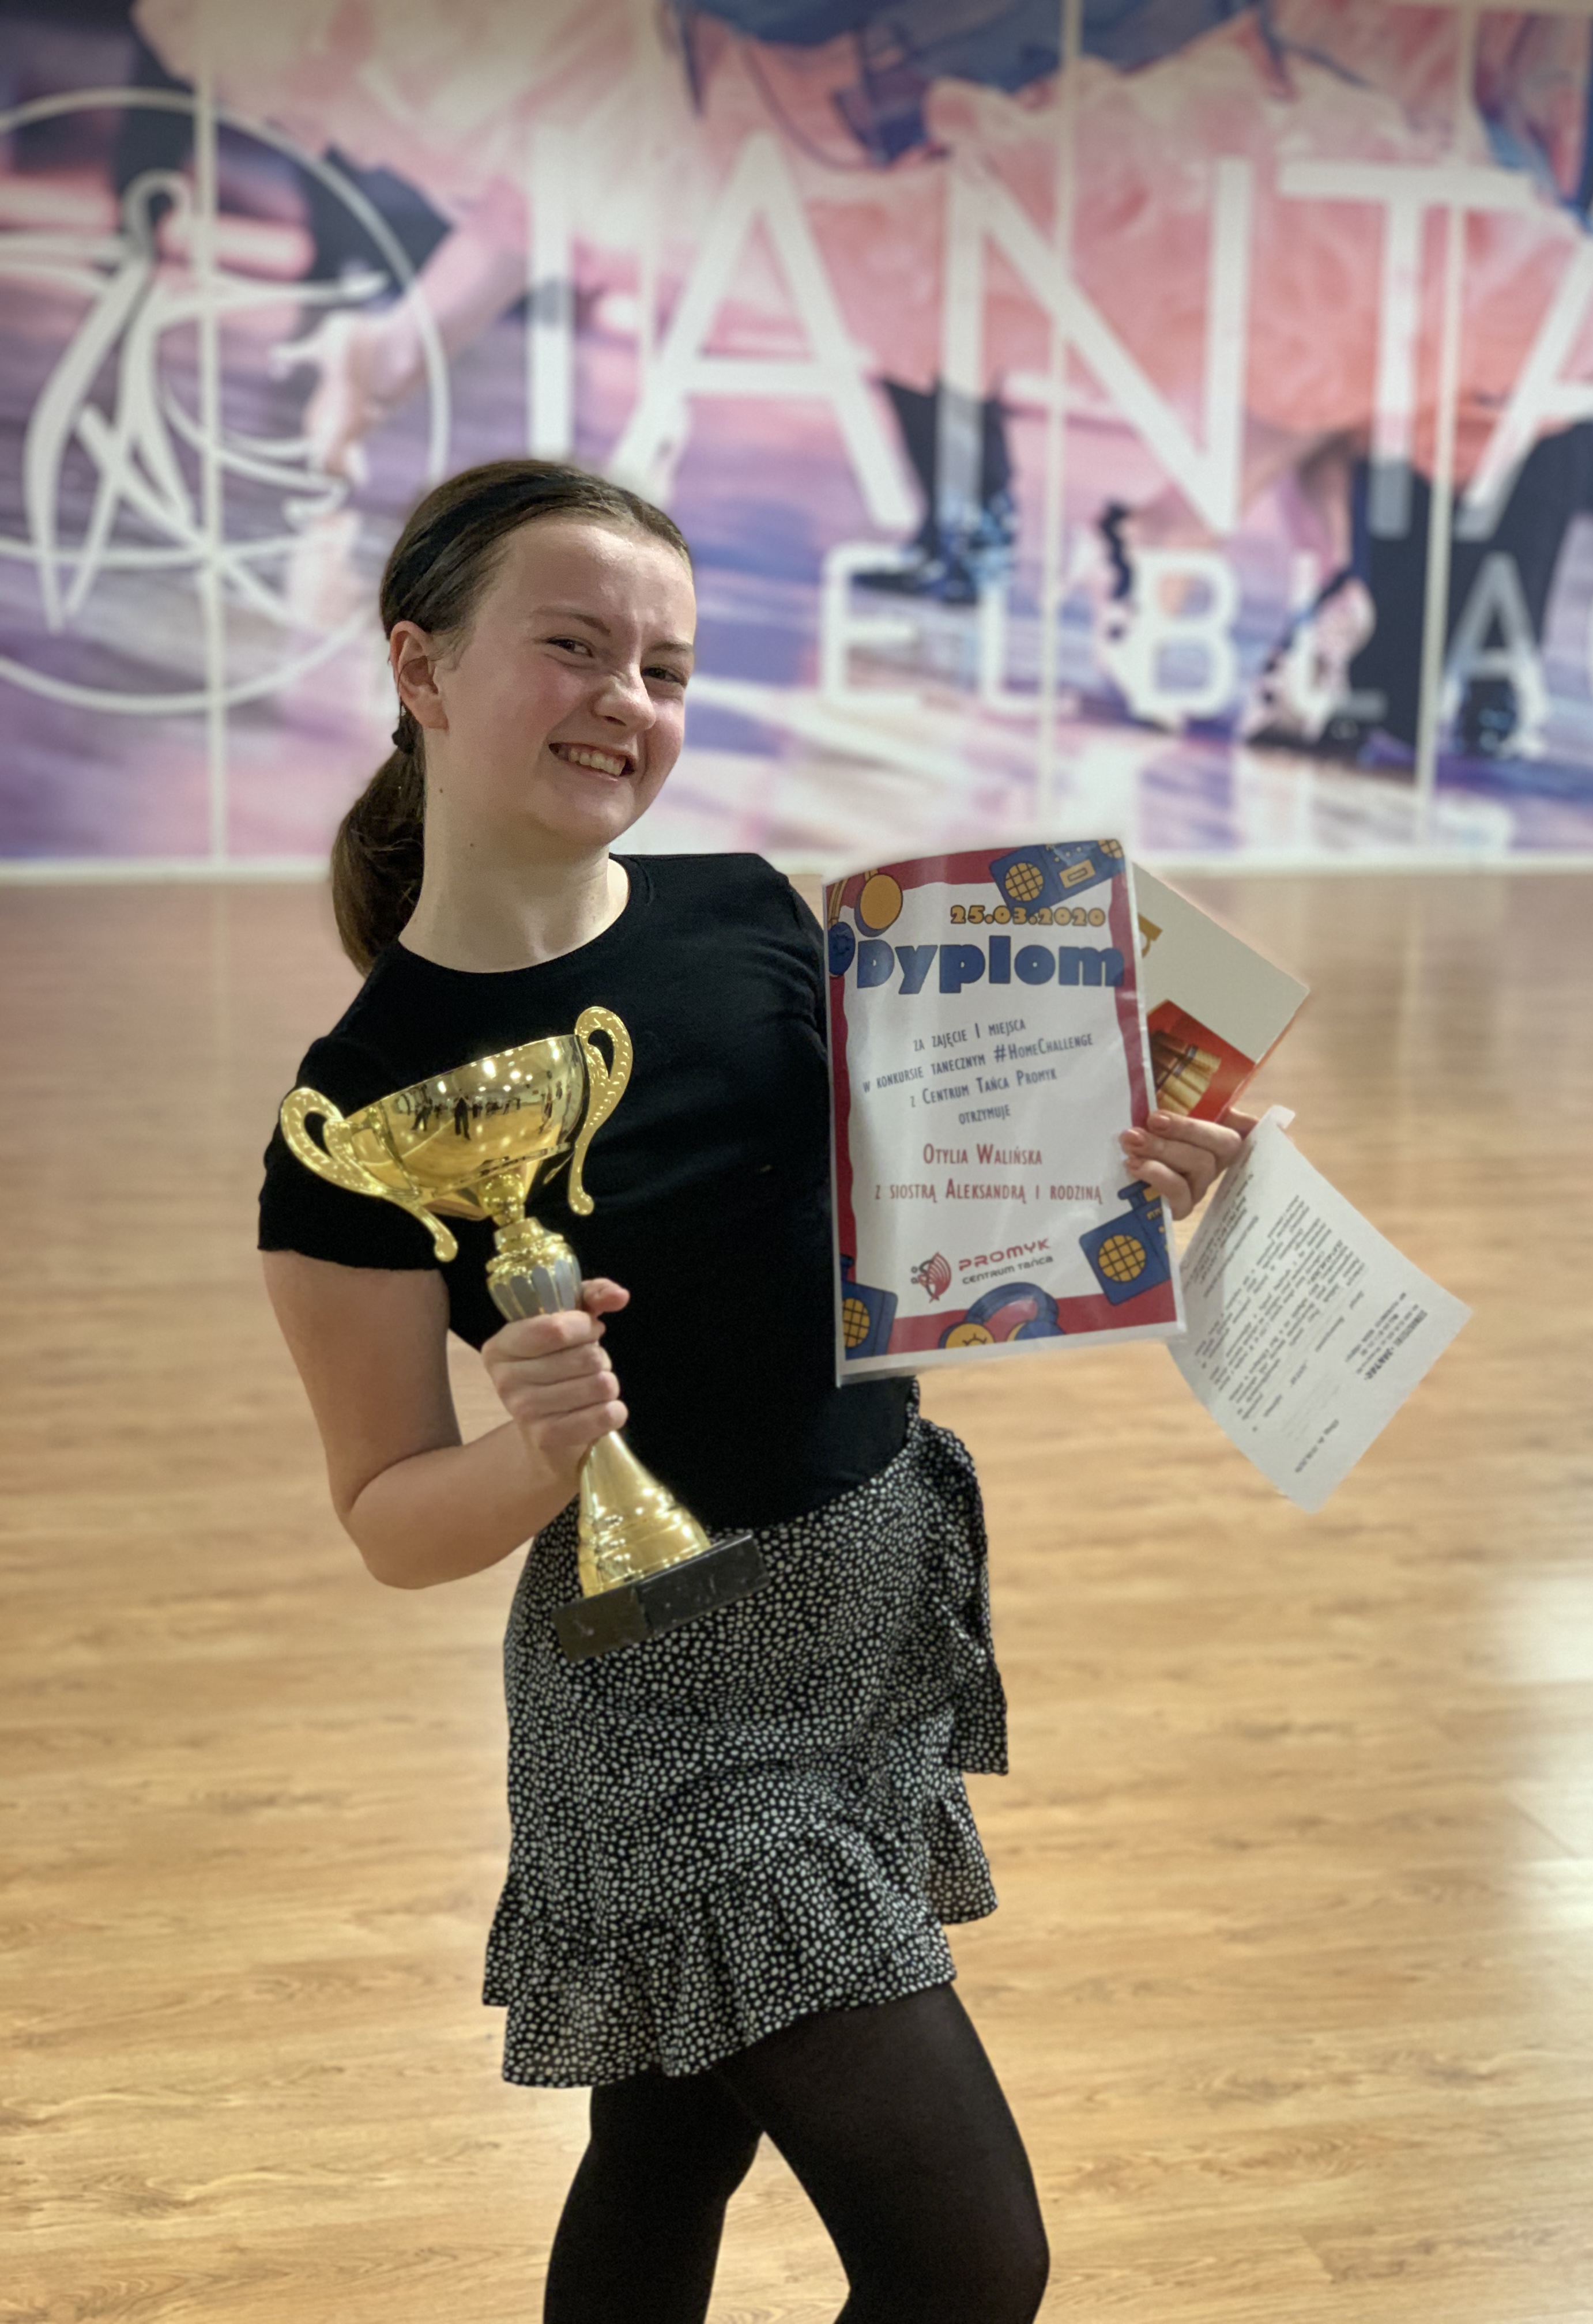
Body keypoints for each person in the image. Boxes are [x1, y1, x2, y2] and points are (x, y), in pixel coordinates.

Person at [257, 457, 1249, 2323]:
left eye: (667, 669)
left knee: (669, 2145)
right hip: (664, 1702)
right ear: (423, 666)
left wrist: (1121, 1175)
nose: (626, 702)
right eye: (574, 646)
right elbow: (391, 1518)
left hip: (875, 1608)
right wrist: (538, 1452)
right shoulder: (353, 1111)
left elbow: (924, 1216)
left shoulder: (751, 915)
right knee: (970, 2266)